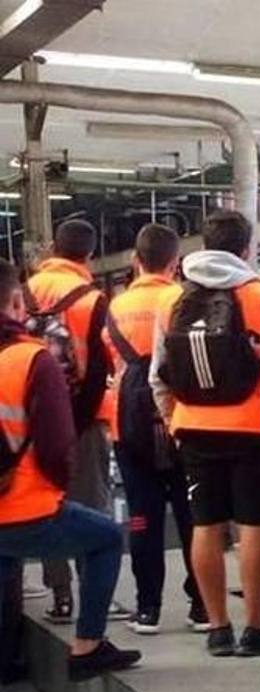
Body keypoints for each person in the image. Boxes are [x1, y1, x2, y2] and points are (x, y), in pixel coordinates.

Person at [150, 210, 260, 658]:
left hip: (195, 428)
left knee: (205, 525)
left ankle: (217, 627)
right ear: (247, 249)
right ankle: (255, 629)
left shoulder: (170, 301)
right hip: (255, 427)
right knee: (253, 526)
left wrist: (176, 420)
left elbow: (160, 375)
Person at [0, 258, 140, 681]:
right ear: (15, 301)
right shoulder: (31, 358)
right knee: (105, 538)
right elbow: (57, 444)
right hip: (25, 506)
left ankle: (8, 663)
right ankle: (87, 646)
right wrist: (57, 486)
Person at [25, 219, 125, 624]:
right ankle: (95, 597)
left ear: (52, 248)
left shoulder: (26, 290)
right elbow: (100, 368)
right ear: (89, 255)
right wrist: (78, 421)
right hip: (83, 419)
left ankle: (60, 596)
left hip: (32, 416)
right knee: (92, 507)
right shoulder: (92, 299)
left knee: (46, 503)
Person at [107, 224, 204, 634]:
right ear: (175, 263)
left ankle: (147, 609)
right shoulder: (183, 298)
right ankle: (201, 605)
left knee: (143, 518)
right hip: (181, 420)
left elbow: (108, 364)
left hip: (128, 426)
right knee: (192, 515)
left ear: (135, 261)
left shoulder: (115, 307)